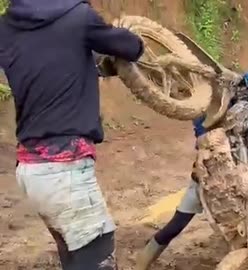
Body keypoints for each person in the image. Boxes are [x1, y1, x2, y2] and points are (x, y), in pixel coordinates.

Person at [0, 0, 144, 269]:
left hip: (29, 170)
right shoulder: (78, 17)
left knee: (73, 255)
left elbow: (44, 61)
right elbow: (130, 47)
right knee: (97, 255)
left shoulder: (6, 28)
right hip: (65, 169)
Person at [135, 117, 206, 270]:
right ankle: (141, 264)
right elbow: (201, 133)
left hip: (232, 181)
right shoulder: (206, 114)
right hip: (204, 176)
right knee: (176, 225)